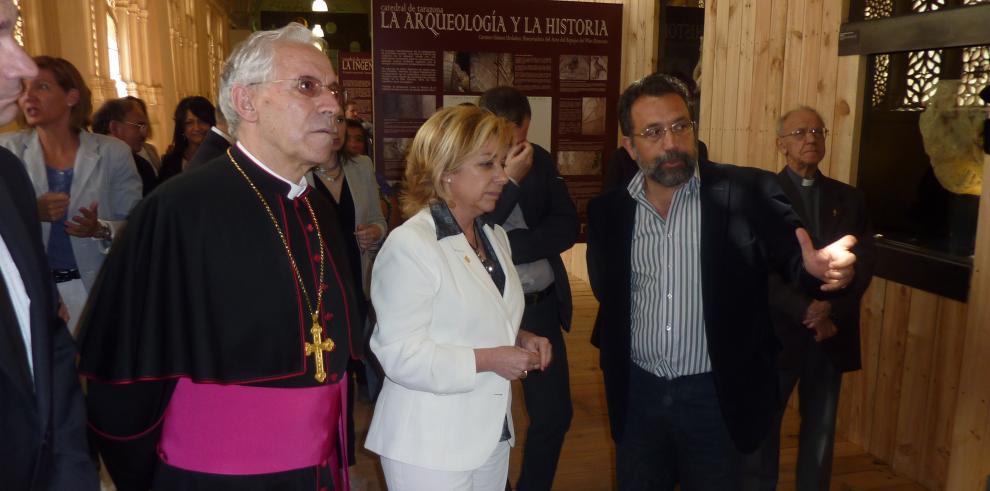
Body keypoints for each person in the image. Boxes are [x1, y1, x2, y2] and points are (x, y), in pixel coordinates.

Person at [78, 23, 361, 491]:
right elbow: (122, 389)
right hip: (213, 476)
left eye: (332, 89)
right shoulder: (177, 211)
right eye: (308, 87)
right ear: (246, 102)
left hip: (316, 471)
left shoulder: (319, 209)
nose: (333, 104)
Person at [585, 72, 858, 491]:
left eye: (680, 126)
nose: (671, 143)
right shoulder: (609, 212)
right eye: (653, 132)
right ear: (630, 145)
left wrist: (821, 270)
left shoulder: (747, 191)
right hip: (639, 394)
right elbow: (609, 291)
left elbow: (794, 260)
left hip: (716, 395)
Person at [365, 105, 552, 490]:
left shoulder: (493, 236)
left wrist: (518, 338)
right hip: (429, 443)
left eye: (501, 163)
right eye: (487, 164)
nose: (503, 176)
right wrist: (491, 359)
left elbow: (474, 316)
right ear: (445, 172)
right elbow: (400, 354)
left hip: (489, 433)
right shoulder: (411, 245)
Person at [741, 106, 876, 491]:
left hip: (831, 333)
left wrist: (831, 309)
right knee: (763, 430)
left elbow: (865, 262)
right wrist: (806, 309)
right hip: (777, 332)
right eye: (800, 132)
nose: (811, 138)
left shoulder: (850, 199)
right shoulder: (758, 198)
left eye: (818, 131)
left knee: (821, 432)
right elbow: (754, 268)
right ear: (780, 144)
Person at [0, 2, 99, 489]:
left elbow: (47, 354)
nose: (21, 67)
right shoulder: (19, 159)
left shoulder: (6, 175)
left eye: (13, 32)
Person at [479, 86, 579, 491]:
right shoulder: (473, 162)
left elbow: (567, 226)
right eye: (504, 142)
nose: (514, 150)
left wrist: (506, 248)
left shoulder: (540, 158)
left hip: (538, 307)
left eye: (518, 140)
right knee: (487, 421)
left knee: (555, 414)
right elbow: (476, 229)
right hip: (485, 311)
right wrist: (511, 181)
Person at [0, 56, 142, 335]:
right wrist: (30, 210)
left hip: (95, 287)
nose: (28, 96)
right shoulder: (7, 151)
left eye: (41, 87)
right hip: (32, 290)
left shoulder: (112, 153)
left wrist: (100, 228)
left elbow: (136, 225)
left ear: (71, 96)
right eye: (24, 87)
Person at [308, 111, 387, 465]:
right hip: (318, 289)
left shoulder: (361, 166)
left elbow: (380, 219)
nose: (336, 130)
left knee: (361, 359)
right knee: (330, 367)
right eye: (330, 122)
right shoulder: (300, 172)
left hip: (358, 280)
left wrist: (376, 231)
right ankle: (329, 446)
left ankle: (349, 447)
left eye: (341, 122)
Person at [92, 97, 158, 196]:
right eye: (139, 125)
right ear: (115, 128)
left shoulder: (143, 166)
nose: (144, 134)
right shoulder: (88, 164)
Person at [157, 95, 215, 182]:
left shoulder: (223, 157)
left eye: (202, 121)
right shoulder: (170, 162)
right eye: (189, 123)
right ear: (182, 127)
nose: (197, 128)